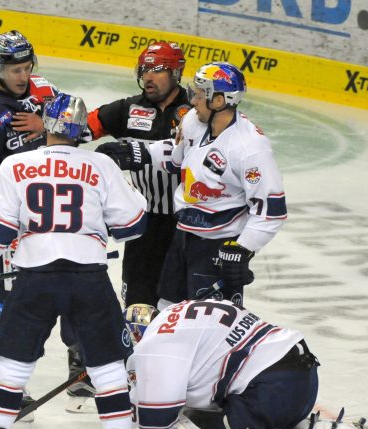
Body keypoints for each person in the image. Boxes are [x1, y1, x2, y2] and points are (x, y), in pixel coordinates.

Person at [0, 93, 148, 429]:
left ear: (46, 124)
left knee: (14, 363)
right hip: (88, 277)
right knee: (106, 366)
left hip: (34, 277)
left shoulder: (16, 165)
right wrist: (104, 217)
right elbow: (133, 225)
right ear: (80, 129)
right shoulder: (100, 165)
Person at [123, 300, 368, 429]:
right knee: (224, 407)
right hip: (302, 377)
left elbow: (158, 415)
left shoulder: (157, 341)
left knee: (195, 425)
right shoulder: (182, 311)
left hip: (271, 388)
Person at [0, 30, 89, 405]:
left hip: (60, 217)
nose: (23, 75)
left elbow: (76, 135)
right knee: (15, 305)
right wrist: (26, 205)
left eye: (27, 67)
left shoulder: (45, 91)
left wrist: (45, 125)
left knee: (78, 291)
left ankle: (80, 373)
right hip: (16, 228)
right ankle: (5, 382)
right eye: (14, 69)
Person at [103, 62, 287, 309]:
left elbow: (270, 211)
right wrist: (139, 153)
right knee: (167, 308)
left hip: (217, 245)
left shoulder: (250, 148)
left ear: (219, 101)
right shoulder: (192, 120)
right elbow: (178, 156)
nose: (193, 100)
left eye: (200, 95)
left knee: (211, 318)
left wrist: (242, 249)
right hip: (182, 234)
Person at [90, 41, 190, 310]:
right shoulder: (128, 109)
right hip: (142, 223)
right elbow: (80, 126)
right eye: (145, 70)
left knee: (181, 306)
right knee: (137, 304)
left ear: (176, 73)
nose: (148, 77)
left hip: (186, 224)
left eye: (157, 70)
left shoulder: (196, 110)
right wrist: (47, 123)